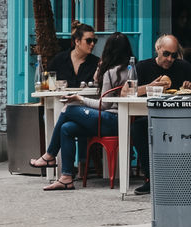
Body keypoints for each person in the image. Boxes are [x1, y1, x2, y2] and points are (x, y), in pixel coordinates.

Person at [28, 32, 133, 191]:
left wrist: (79, 98)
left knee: (70, 108)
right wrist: (100, 67)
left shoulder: (111, 72)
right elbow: (98, 82)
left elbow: (104, 105)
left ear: (108, 50)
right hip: (119, 121)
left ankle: (50, 155)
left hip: (110, 120)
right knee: (67, 128)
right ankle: (66, 178)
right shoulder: (132, 69)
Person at [129, 34, 191, 195]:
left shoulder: (184, 67)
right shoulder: (143, 67)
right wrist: (150, 87)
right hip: (150, 117)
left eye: (173, 55)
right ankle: (150, 178)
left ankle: (184, 178)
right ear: (157, 49)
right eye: (166, 54)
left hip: (180, 118)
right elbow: (126, 92)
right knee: (138, 127)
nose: (169, 59)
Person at [48, 22, 99, 87]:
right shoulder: (58, 60)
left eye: (94, 41)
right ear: (77, 41)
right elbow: (48, 84)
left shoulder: (96, 63)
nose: (92, 44)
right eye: (88, 40)